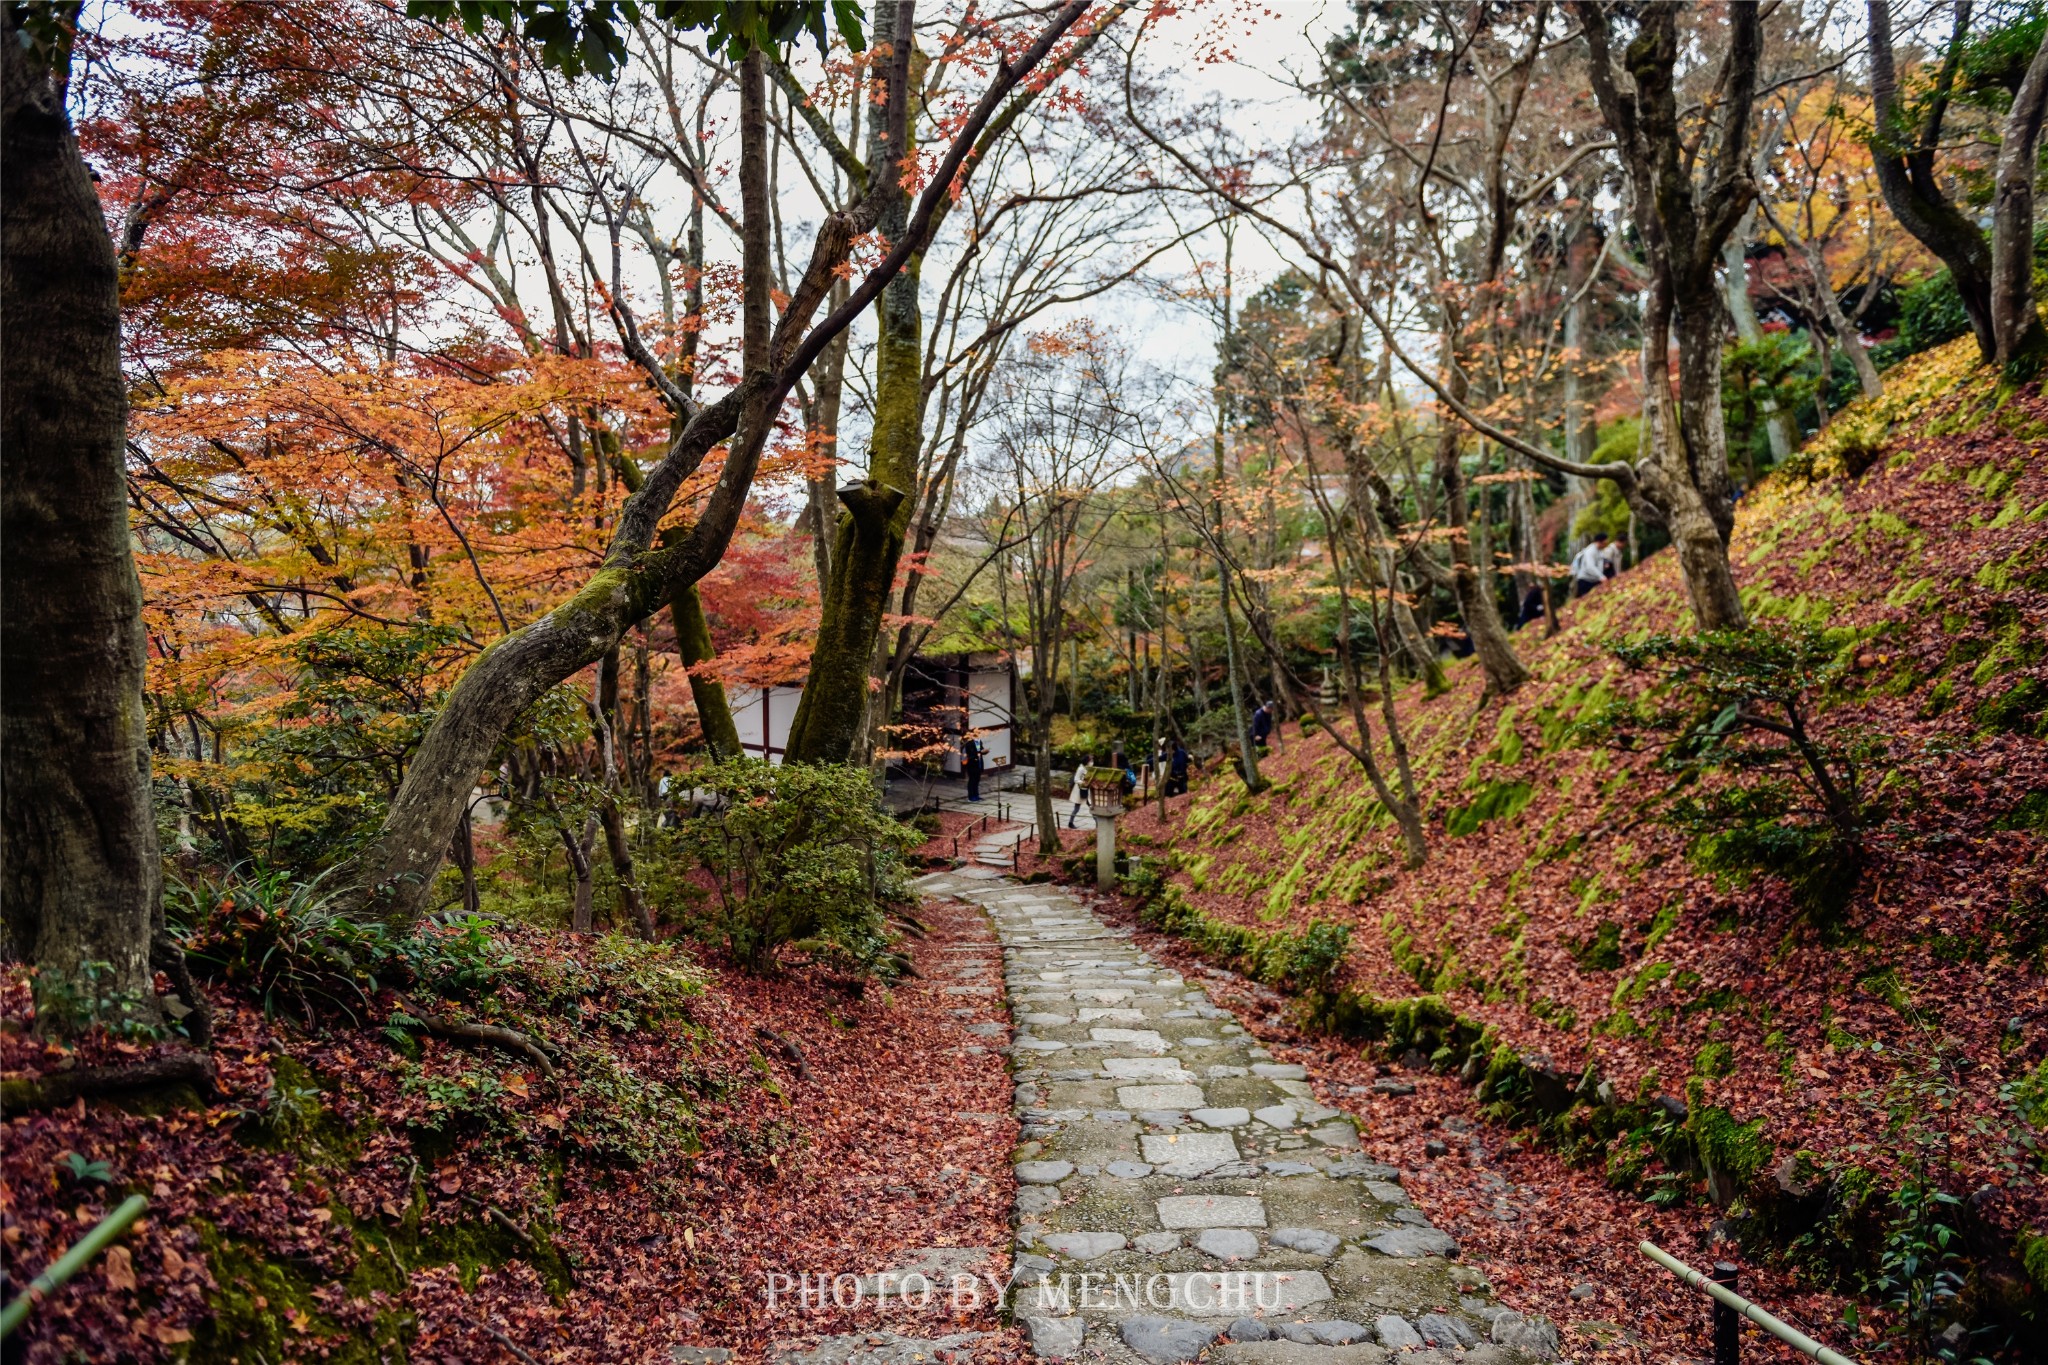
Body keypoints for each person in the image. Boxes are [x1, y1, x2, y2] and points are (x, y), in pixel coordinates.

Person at [1570, 534, 1612, 599]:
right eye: (1604, 543)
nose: (1605, 545)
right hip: (1586, 580)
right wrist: (1601, 577)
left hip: (1593, 580)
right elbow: (1590, 566)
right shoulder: (1590, 551)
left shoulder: (1599, 550)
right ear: (1599, 542)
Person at [963, 733, 986, 802]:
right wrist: (980, 752)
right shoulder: (969, 743)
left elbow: (981, 750)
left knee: (977, 780)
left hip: (979, 763)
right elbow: (971, 755)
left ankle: (976, 795)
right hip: (972, 764)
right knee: (972, 780)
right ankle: (971, 796)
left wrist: (984, 751)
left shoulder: (979, 741)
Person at [1067, 764, 1087, 828]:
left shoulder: (1087, 768)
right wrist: (1083, 782)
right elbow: (1076, 779)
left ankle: (1098, 824)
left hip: (1086, 789)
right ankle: (1070, 822)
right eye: (1091, 760)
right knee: (1077, 808)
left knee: (1091, 806)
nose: (1092, 762)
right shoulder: (1081, 769)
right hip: (1080, 790)